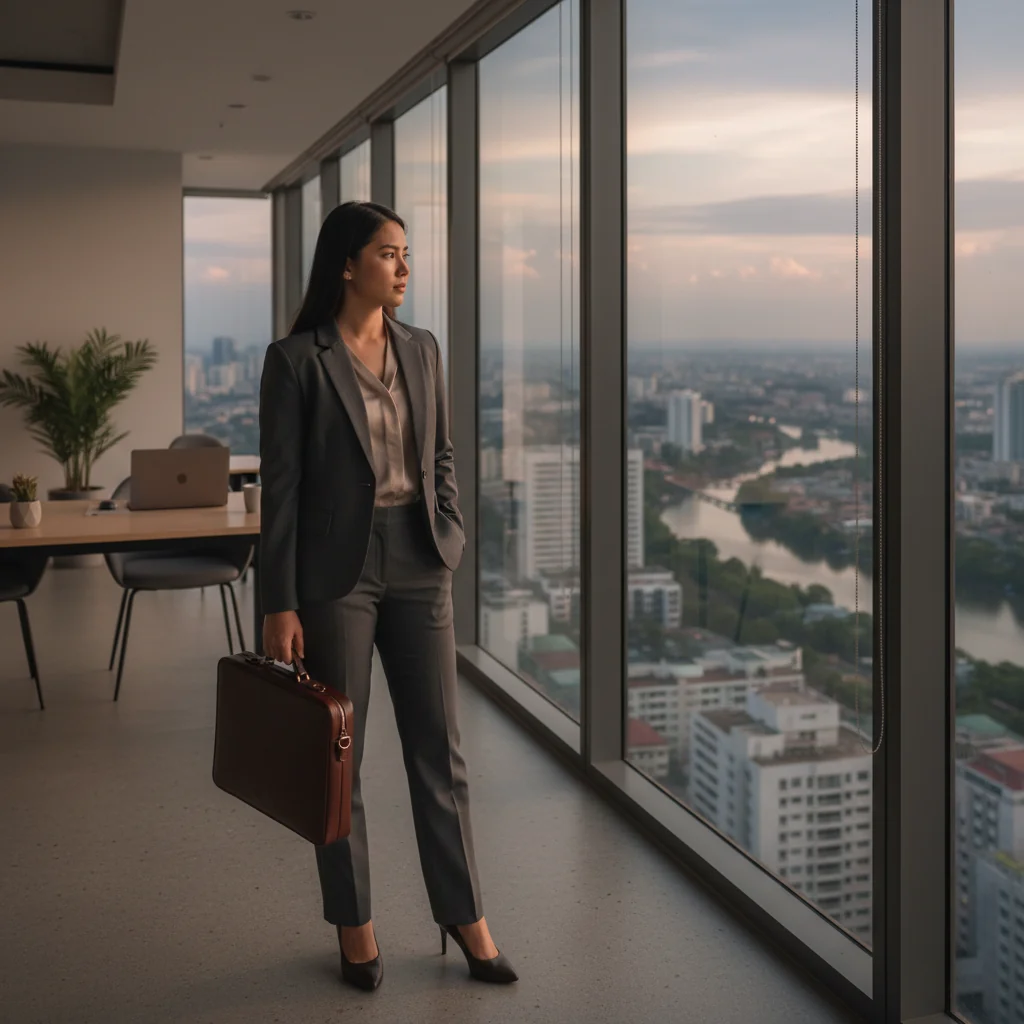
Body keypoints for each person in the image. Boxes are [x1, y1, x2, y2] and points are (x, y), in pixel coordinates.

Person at [258, 200, 518, 992]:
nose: (404, 267)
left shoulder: (423, 349)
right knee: (340, 761)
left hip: (419, 557)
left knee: (440, 751)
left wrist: (451, 537)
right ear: (347, 265)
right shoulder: (297, 358)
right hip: (336, 575)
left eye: (406, 253)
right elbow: (283, 492)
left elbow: (441, 455)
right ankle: (355, 925)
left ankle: (465, 915)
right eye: (388, 253)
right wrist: (279, 602)